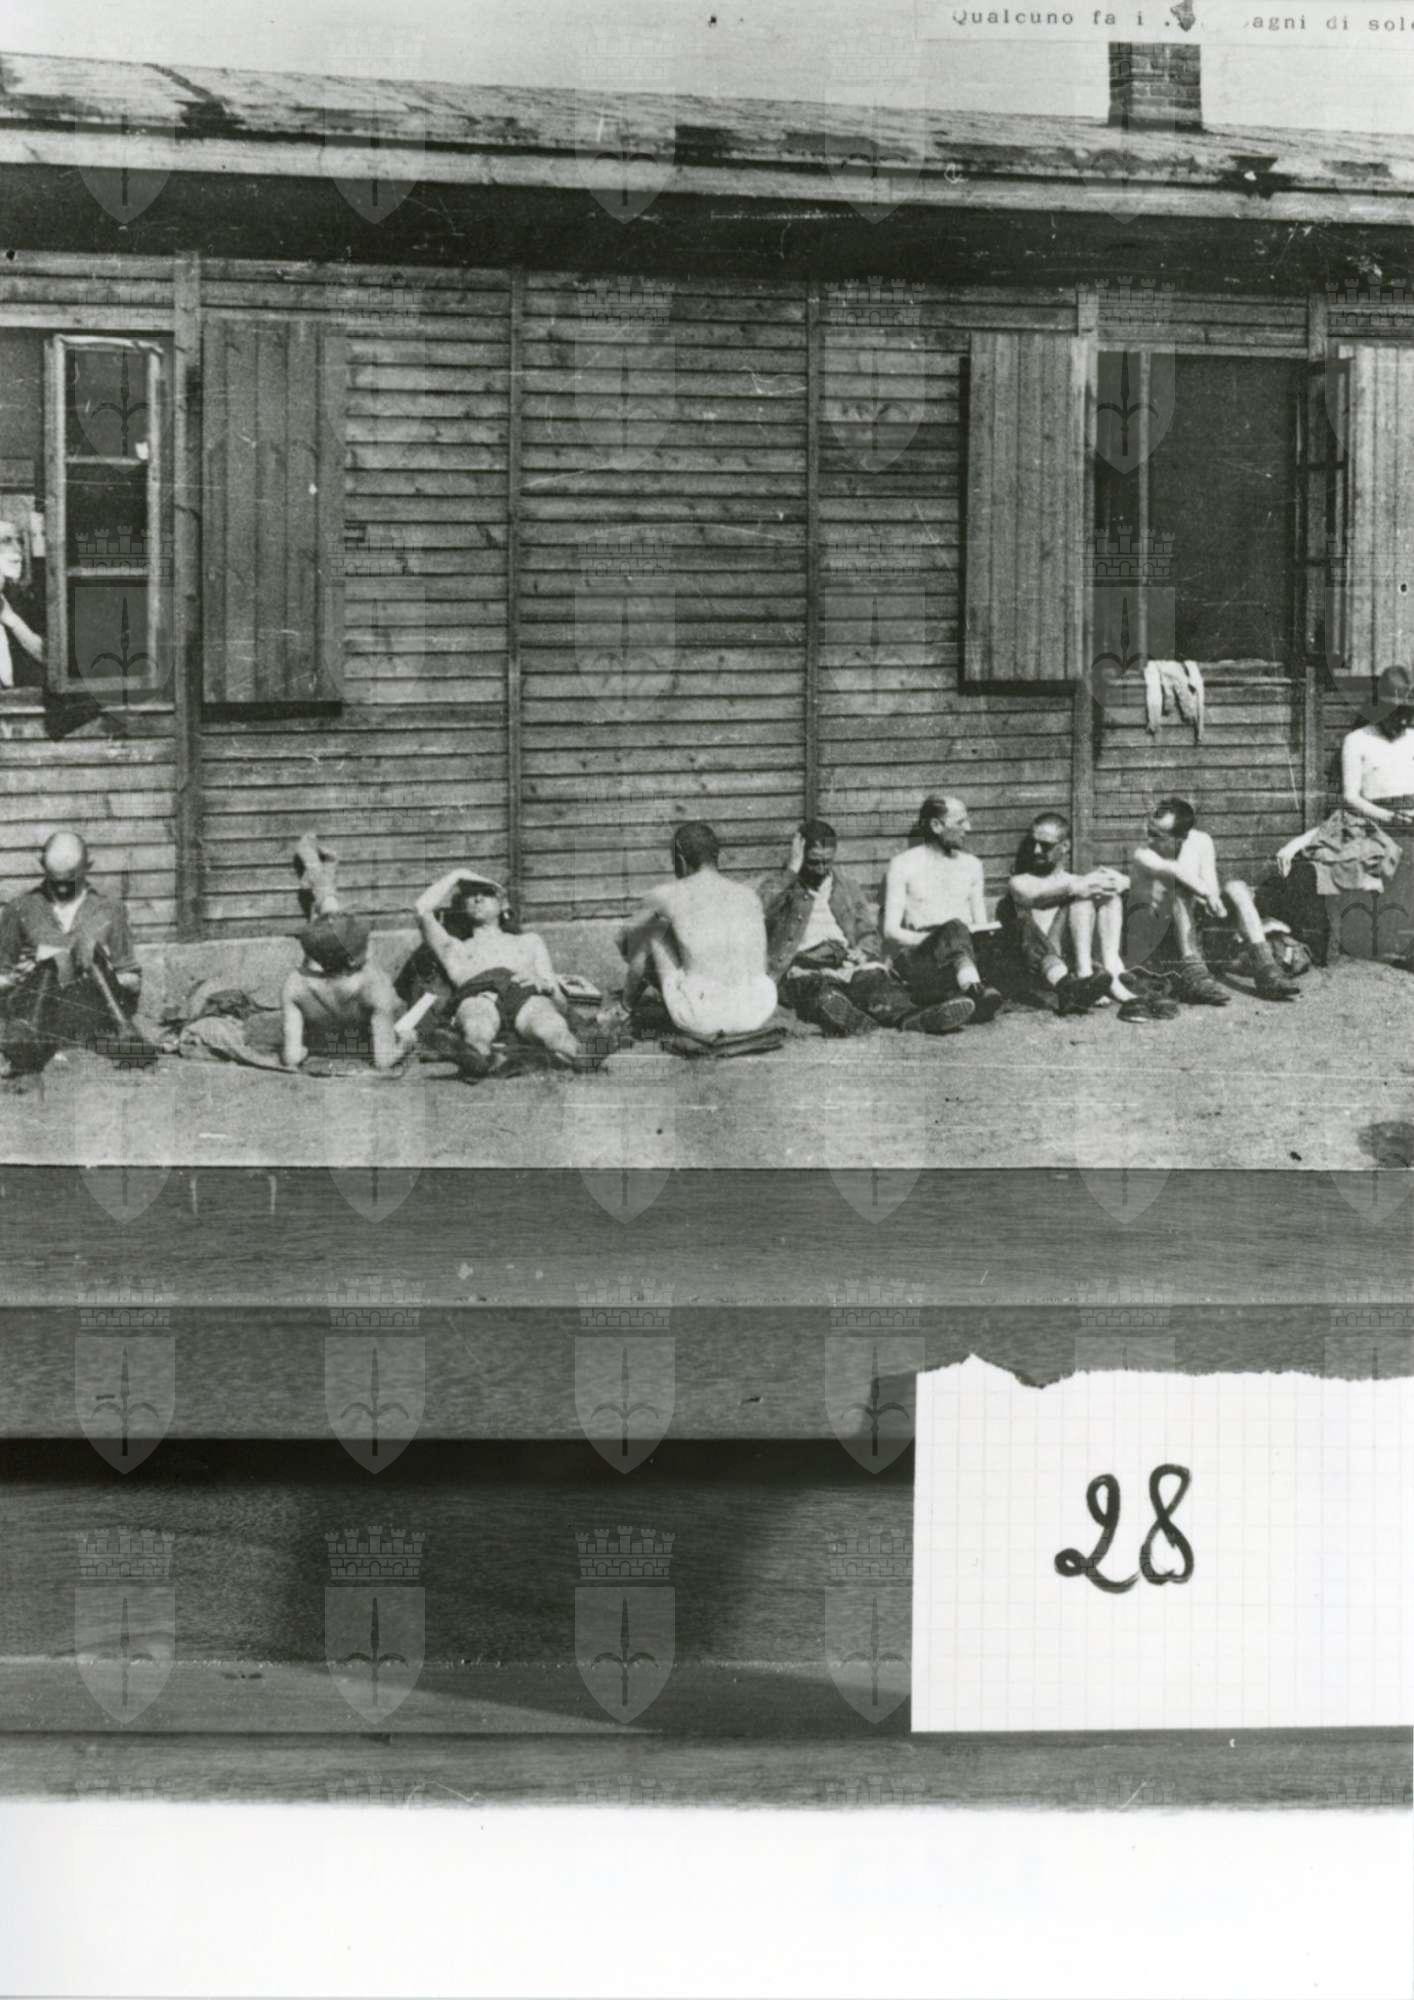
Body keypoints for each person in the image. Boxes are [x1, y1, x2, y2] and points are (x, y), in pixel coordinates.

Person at [1128, 796, 1300, 1004]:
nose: (1151, 838)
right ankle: (1195, 975)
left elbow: (1210, 883)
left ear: (1182, 836)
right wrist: (1207, 895)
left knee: (1236, 887)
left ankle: (1266, 969)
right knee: (1178, 891)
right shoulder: (1143, 853)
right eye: (1150, 831)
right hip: (1168, 934)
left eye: (1159, 835)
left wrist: (1214, 900)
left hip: (1200, 924)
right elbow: (1175, 870)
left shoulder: (1200, 841)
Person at [756, 819, 916, 1036]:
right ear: (800, 855)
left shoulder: (847, 887)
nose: (821, 869)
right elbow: (760, 908)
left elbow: (867, 931)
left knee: (877, 983)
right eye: (813, 862)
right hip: (803, 968)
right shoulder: (784, 887)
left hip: (844, 964)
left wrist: (862, 950)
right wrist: (792, 870)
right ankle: (845, 1012)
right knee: (817, 990)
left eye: (827, 862)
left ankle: (914, 1018)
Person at [413, 865, 581, 1073]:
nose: (477, 898)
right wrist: (458, 874)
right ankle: (478, 1058)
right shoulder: (455, 948)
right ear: (463, 905)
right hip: (479, 996)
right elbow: (421, 909)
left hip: (525, 996)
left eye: (486, 892)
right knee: (477, 1025)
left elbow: (561, 1004)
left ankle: (584, 1055)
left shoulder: (529, 941)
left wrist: (546, 986)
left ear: (503, 904)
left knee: (551, 1028)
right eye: (470, 894)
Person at [619, 821, 777, 1039]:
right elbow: (761, 965)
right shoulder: (749, 896)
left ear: (680, 858)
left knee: (653, 931)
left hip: (702, 1017)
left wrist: (661, 962)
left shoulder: (666, 894)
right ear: (716, 856)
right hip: (757, 1012)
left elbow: (624, 939)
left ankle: (625, 1008)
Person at [0, 828, 145, 1067]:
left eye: (70, 880)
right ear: (42, 866)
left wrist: (100, 966)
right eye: (55, 881)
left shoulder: (110, 909)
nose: (62, 889)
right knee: (52, 960)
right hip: (38, 1008)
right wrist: (20, 974)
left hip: (90, 1009)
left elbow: (133, 981)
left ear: (88, 866)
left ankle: (126, 1035)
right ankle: (27, 1043)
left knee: (88, 949)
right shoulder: (19, 908)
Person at [880, 795, 1006, 1028]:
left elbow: (980, 923)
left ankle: (1064, 984)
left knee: (1022, 924)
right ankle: (974, 991)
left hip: (965, 947)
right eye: (960, 822)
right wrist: (940, 939)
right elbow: (890, 931)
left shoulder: (972, 865)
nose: (969, 828)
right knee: (954, 927)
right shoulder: (903, 864)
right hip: (925, 954)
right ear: (936, 825)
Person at [998, 812, 1139, 1012]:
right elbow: (1037, 899)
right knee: (1081, 896)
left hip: (1076, 955)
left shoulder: (1078, 881)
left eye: (1045, 845)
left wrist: (1124, 882)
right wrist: (1078, 887)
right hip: (1045, 961)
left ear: (1064, 846)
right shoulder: (1020, 881)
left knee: (1109, 894)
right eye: (1033, 843)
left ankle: (1111, 971)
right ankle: (1084, 976)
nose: (1036, 850)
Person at [281, 911, 406, 1072]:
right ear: (353, 959)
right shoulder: (373, 985)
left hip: (326, 1046)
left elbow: (292, 1057)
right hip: (365, 1045)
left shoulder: (295, 983)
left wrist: (301, 1052)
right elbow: (384, 1061)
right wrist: (405, 1043)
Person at [0, 520, 45, 690]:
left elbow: (52, 657)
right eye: (6, 541)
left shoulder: (24, 598)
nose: (18, 549)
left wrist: (10, 618)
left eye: (20, 541)